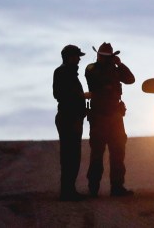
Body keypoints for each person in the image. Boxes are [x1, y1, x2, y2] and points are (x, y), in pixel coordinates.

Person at [85, 42, 136, 197]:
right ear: (98, 55)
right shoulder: (91, 69)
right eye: (104, 57)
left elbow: (130, 79)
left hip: (115, 116)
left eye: (108, 57)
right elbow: (100, 81)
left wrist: (120, 65)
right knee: (97, 154)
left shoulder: (115, 69)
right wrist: (112, 68)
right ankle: (93, 188)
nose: (105, 59)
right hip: (99, 116)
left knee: (118, 153)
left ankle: (117, 187)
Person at [52, 44, 91, 202]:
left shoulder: (68, 73)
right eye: (76, 56)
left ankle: (69, 190)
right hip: (69, 118)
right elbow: (59, 94)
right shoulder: (63, 72)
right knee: (70, 156)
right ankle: (67, 191)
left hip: (72, 118)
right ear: (69, 57)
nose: (79, 60)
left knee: (72, 155)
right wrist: (82, 97)